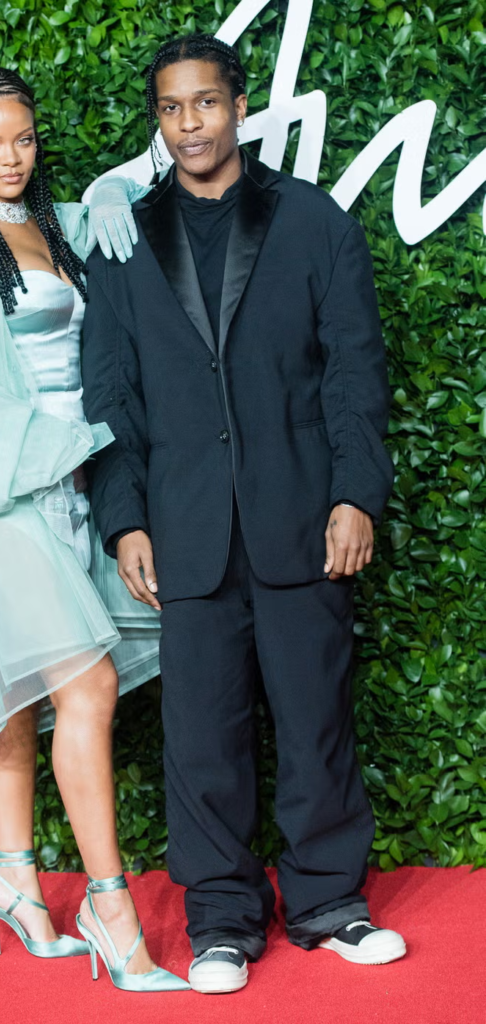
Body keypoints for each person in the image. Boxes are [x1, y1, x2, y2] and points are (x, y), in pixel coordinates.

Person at [82, 34, 407, 995]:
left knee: (315, 720)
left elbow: (354, 371)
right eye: (171, 108)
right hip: (183, 528)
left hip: (301, 514)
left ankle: (327, 902)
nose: (189, 124)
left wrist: (355, 494)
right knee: (200, 737)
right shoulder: (124, 237)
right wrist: (123, 519)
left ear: (238, 106)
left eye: (206, 103)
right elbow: (110, 392)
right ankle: (221, 921)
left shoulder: (312, 220)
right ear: (158, 120)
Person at [0, 66, 189, 993]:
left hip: (79, 482)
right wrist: (48, 443)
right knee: (86, 683)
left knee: (20, 691)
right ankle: (109, 909)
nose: (10, 158)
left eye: (22, 139)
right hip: (1, 492)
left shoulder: (61, 224)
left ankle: (14, 877)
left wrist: (114, 189)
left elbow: (164, 174)